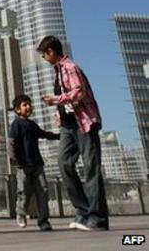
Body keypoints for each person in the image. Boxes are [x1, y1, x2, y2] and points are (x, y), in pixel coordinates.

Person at [37, 35, 109, 231]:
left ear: (51, 52)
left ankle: (98, 217)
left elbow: (79, 92)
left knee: (91, 167)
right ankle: (83, 210)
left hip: (84, 123)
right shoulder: (58, 71)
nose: (44, 59)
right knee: (64, 163)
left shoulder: (69, 67)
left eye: (44, 55)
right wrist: (59, 114)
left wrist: (56, 100)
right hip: (68, 125)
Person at [9, 93, 59, 232]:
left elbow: (44, 134)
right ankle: (21, 213)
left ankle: (43, 221)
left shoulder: (32, 125)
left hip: (37, 164)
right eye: (25, 105)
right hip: (23, 165)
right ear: (18, 109)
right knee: (23, 191)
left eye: (29, 104)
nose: (28, 107)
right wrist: (15, 160)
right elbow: (12, 143)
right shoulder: (16, 124)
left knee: (43, 190)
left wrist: (59, 136)